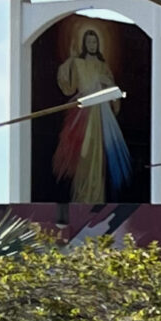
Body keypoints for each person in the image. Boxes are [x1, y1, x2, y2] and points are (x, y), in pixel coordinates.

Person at [52, 24, 132, 204]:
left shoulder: (103, 66)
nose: (92, 44)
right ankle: (81, 196)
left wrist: (108, 86)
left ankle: (96, 197)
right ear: (84, 44)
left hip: (101, 115)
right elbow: (68, 87)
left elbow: (113, 90)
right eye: (89, 41)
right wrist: (70, 61)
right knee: (83, 155)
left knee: (98, 157)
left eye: (95, 41)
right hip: (82, 113)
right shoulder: (78, 63)